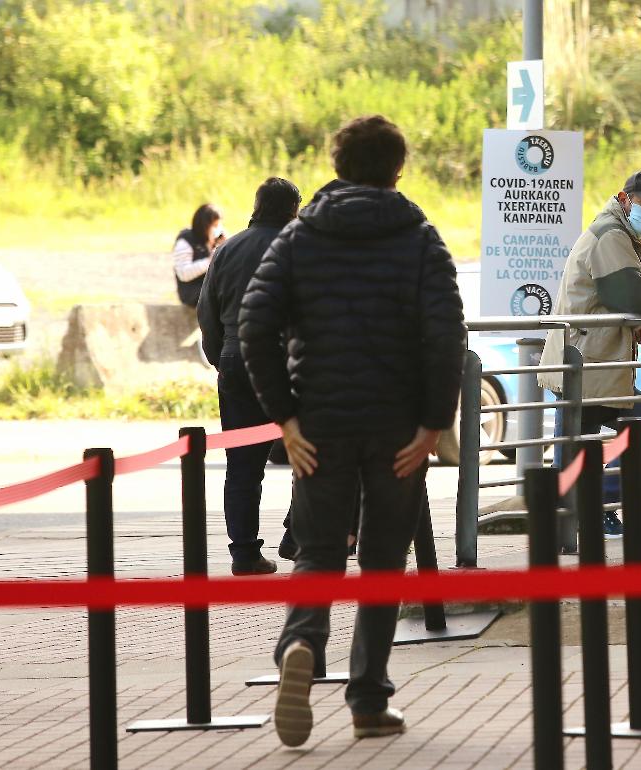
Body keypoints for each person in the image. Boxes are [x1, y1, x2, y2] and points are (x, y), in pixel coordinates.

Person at [240, 115, 465, 746]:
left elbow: (253, 325)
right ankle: (368, 700)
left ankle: (301, 645)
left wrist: (286, 418)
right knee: (384, 561)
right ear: (399, 168)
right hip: (397, 429)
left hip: (321, 425)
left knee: (317, 552)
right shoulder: (419, 239)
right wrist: (432, 424)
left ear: (337, 166)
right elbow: (446, 334)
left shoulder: (299, 237)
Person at [538, 171, 641, 537]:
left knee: (583, 442)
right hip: (588, 360)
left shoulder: (631, 237)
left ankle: (580, 513)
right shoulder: (612, 235)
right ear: (624, 198)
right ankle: (585, 513)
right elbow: (633, 298)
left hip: (598, 362)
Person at [198, 178, 301, 575]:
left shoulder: (227, 250)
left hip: (236, 361)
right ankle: (296, 534)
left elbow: (207, 310)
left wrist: (221, 357)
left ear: (256, 207)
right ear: (293, 209)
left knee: (242, 466)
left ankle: (244, 553)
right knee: (313, 453)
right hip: (290, 363)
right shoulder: (300, 247)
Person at [174, 204, 225, 307]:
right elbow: (183, 274)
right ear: (204, 225)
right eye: (214, 226)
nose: (217, 229)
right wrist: (209, 261)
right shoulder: (185, 241)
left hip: (210, 288)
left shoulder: (215, 239)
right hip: (192, 292)